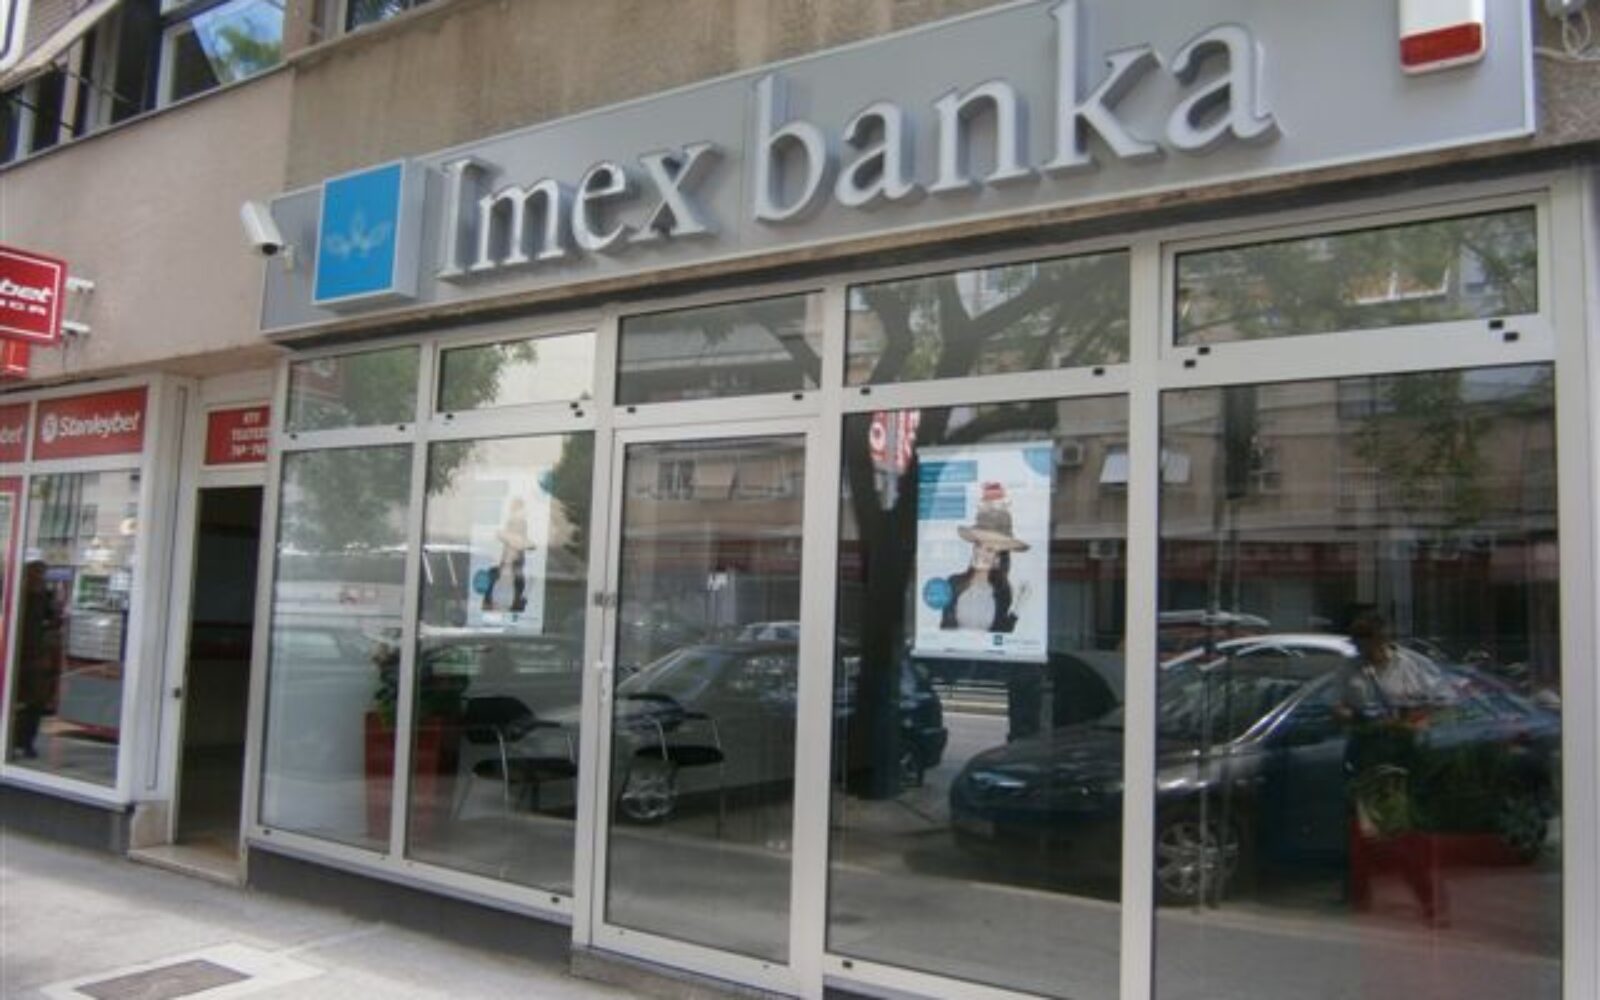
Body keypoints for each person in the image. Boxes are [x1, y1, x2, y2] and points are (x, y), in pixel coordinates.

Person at [1338, 610, 1456, 926]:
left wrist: (1411, 718)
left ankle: (1431, 901)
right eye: (1357, 644)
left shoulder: (1412, 666)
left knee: (1404, 829)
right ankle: (1359, 897)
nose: (1361, 650)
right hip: (1367, 751)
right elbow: (1340, 704)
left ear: (1382, 640)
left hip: (1404, 754)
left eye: (1366, 643)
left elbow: (1444, 701)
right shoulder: (1351, 669)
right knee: (1361, 828)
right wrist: (1350, 715)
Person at [939, 482, 1031, 634]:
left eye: (989, 550)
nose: (980, 552)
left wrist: (1019, 606)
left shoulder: (1002, 592)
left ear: (997, 559)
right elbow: (944, 629)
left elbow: (1001, 632)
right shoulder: (954, 583)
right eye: (978, 545)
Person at [11, 560, 62, 761]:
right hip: (19, 655)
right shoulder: (17, 595)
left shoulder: (44, 597)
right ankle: (14, 741)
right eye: (37, 574)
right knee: (19, 701)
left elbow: (53, 623)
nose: (40, 579)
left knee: (34, 703)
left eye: (42, 575)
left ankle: (25, 742)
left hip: (36, 657)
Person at [482, 497, 531, 614]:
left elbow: (518, 540)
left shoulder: (520, 523)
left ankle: (514, 603)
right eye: (519, 510)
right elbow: (513, 540)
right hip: (511, 556)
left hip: (515, 557)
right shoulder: (514, 522)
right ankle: (492, 601)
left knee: (516, 580)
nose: (522, 512)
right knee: (506, 578)